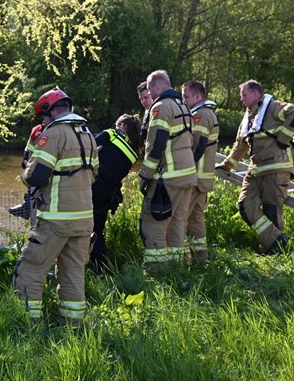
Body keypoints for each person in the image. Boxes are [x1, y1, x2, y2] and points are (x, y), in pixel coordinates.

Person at [12, 87, 98, 326]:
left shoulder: (54, 134)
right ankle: (72, 326)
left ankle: (27, 325)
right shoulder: (87, 134)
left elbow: (36, 176)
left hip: (55, 218)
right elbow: (94, 174)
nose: (42, 122)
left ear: (49, 113)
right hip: (83, 220)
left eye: (42, 117)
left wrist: (26, 172)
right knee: (72, 273)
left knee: (30, 270)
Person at [215, 80, 294, 255]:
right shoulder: (248, 116)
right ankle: (279, 242)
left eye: (244, 95)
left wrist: (282, 140)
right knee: (245, 206)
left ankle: (273, 251)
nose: (241, 100)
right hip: (255, 170)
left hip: (276, 169)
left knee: (271, 210)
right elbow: (240, 146)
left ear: (256, 94)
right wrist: (226, 165)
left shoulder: (273, 107)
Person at [139, 70, 199, 272]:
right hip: (187, 174)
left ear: (156, 87)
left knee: (153, 222)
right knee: (177, 223)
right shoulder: (184, 105)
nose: (149, 93)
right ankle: (179, 267)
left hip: (169, 177)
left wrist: (145, 175)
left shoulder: (161, 107)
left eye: (149, 89)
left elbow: (156, 145)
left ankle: (157, 272)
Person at [89, 114, 143, 273]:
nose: (116, 126)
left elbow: (89, 144)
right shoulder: (134, 153)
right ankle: (99, 269)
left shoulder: (112, 134)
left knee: (77, 225)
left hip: (92, 186)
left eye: (118, 124)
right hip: (108, 193)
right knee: (97, 231)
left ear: (123, 127)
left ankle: (73, 265)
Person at [182, 80, 219, 263]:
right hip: (202, 178)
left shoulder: (201, 115)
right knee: (195, 222)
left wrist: (185, 168)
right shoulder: (205, 113)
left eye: (186, 96)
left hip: (196, 177)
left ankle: (182, 261)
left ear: (197, 97)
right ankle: (201, 260)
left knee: (179, 219)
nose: (183, 99)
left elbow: (198, 145)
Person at [9, 121, 46, 222]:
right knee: (32, 186)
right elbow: (29, 148)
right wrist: (25, 162)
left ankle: (28, 209)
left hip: (45, 165)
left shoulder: (56, 131)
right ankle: (27, 207)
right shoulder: (36, 130)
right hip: (34, 164)